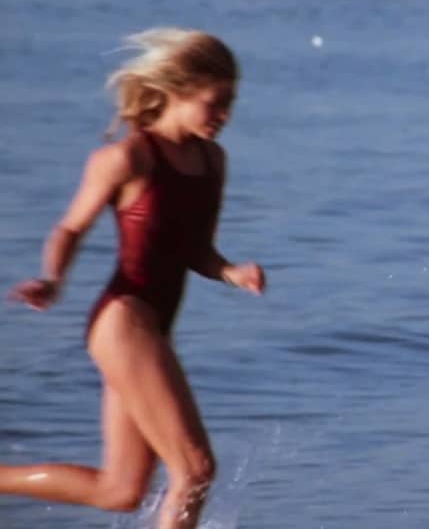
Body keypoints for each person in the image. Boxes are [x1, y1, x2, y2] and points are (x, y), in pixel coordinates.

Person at [5, 28, 265, 529]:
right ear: (177, 90)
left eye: (231, 103)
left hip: (153, 329)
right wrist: (53, 278)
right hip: (123, 322)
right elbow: (70, 228)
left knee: (120, 490)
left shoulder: (212, 162)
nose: (225, 116)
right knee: (194, 469)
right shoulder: (127, 159)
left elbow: (195, 249)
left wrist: (231, 272)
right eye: (216, 102)